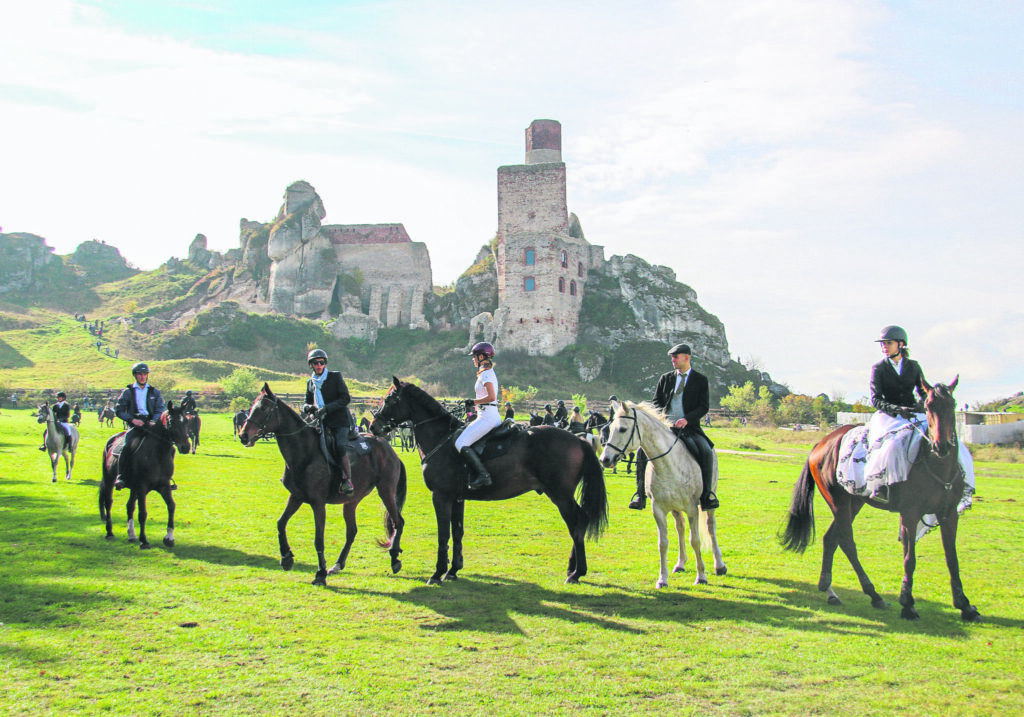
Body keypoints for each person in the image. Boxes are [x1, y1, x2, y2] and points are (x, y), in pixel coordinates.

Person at [862, 325, 976, 503]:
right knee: (891, 446)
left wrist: (922, 405)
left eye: (888, 343)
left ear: (900, 344)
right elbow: (875, 399)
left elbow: (923, 392)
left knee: (949, 441)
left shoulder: (913, 366)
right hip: (888, 416)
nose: (884, 347)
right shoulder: (878, 368)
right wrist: (897, 409)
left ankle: (962, 483)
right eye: (883, 344)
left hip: (913, 412)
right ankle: (881, 487)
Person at [631, 343, 718, 511]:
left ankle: (707, 494)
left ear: (687, 357)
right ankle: (640, 494)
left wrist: (687, 419)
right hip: (667, 429)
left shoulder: (700, 380)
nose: (673, 360)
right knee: (641, 451)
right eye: (672, 357)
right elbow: (656, 403)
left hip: (690, 428)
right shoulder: (666, 378)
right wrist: (661, 419)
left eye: (675, 357)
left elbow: (703, 407)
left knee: (706, 450)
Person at [302, 349, 354, 496]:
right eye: (315, 363)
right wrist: (308, 407)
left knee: (338, 445)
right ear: (310, 365)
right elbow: (305, 402)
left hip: (339, 421)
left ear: (325, 363)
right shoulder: (310, 382)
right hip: (320, 422)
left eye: (321, 362)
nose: (319, 365)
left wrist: (326, 409)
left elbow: (345, 399)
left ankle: (347, 480)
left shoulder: (335, 377)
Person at [453, 342, 501, 490]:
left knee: (460, 443)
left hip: (488, 417)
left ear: (481, 356)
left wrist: (472, 401)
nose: (473, 360)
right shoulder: (484, 372)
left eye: (474, 357)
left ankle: (483, 475)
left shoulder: (486, 374)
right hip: (485, 414)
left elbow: (491, 397)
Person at [113, 363, 168, 490]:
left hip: (151, 424)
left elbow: (160, 408)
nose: (143, 377)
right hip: (136, 425)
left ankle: (165, 477)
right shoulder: (128, 392)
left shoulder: (154, 392)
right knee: (127, 446)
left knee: (167, 445)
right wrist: (132, 420)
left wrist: (154, 420)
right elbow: (119, 410)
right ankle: (121, 476)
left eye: (145, 374)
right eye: (140, 374)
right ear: (135, 376)